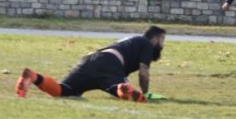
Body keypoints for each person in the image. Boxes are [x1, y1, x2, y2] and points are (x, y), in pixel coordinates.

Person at [15, 26, 167, 102]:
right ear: (154, 39)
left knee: (62, 91)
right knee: (119, 89)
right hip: (109, 63)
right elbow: (143, 72)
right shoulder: (146, 44)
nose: (162, 45)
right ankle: (123, 87)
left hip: (89, 59)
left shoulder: (132, 41)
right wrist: (146, 92)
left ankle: (34, 77)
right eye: (162, 40)